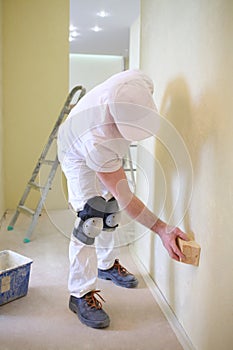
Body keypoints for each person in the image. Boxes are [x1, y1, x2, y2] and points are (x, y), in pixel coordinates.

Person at [57, 69, 188, 329]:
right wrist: (162, 229)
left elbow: (119, 200)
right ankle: (79, 293)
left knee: (111, 209)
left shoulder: (136, 81)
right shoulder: (96, 139)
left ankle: (105, 266)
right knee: (91, 218)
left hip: (101, 140)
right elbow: (127, 197)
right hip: (74, 148)